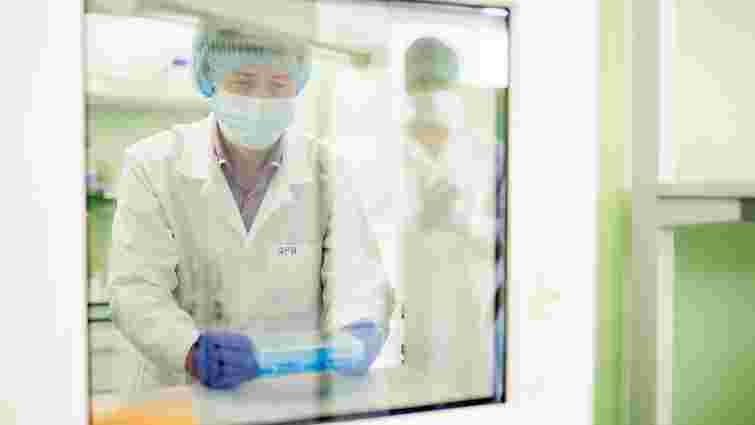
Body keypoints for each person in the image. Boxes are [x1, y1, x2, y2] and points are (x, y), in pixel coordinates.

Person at [108, 27, 394, 395]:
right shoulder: (152, 164)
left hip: (290, 396)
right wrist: (190, 349)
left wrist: (358, 330)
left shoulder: (327, 170)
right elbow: (135, 290)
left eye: (278, 84)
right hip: (184, 396)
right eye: (243, 82)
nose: (261, 100)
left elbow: (358, 279)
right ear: (210, 80)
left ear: (297, 85)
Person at [399, 37, 500, 401]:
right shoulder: (387, 151)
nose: (430, 92)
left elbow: (511, 235)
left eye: (439, 83)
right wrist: (420, 219)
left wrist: (465, 220)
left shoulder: (487, 152)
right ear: (407, 88)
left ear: (455, 87)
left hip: (471, 312)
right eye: (421, 83)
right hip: (411, 315)